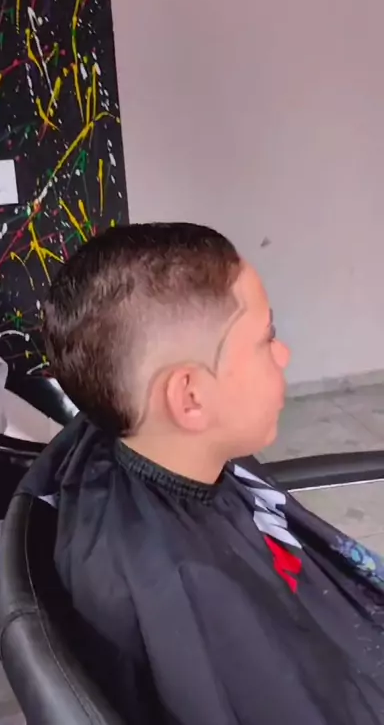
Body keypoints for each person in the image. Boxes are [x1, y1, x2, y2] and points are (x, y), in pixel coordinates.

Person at [22, 222, 384, 725]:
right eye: (267, 338)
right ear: (190, 397)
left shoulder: (140, 449)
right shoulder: (189, 594)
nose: (284, 355)